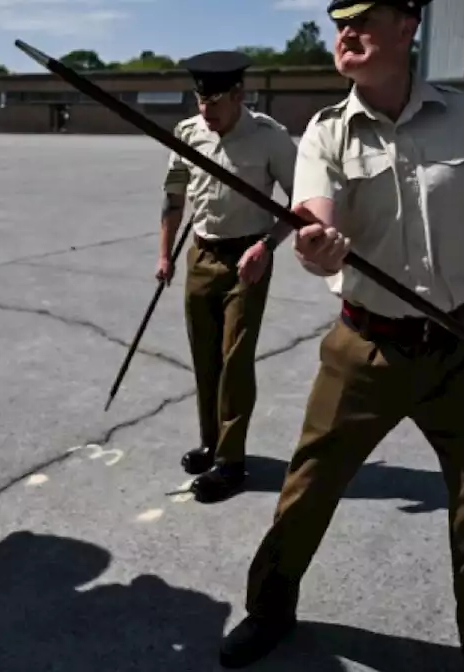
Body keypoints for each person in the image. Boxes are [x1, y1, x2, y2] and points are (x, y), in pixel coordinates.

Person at [218, 1, 464, 669]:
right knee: (307, 490)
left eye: (364, 18)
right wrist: (317, 247)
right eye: (337, 21)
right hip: (364, 349)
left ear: (407, 26)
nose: (345, 33)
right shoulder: (327, 132)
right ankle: (269, 610)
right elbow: (313, 215)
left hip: (463, 350)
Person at [159, 50, 299, 504]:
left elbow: (301, 204)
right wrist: (165, 255)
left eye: (215, 102)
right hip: (201, 254)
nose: (207, 111)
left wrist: (267, 246)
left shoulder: (270, 138)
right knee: (205, 358)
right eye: (201, 101)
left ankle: (232, 462)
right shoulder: (187, 133)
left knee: (234, 360)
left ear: (239, 95)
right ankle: (212, 443)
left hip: (248, 258)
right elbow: (173, 198)